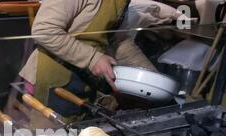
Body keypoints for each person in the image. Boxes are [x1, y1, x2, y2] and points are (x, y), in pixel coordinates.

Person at [19, 0, 156, 127]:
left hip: (84, 80)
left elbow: (118, 40)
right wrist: (92, 58)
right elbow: (44, 30)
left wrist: (152, 76)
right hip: (51, 77)